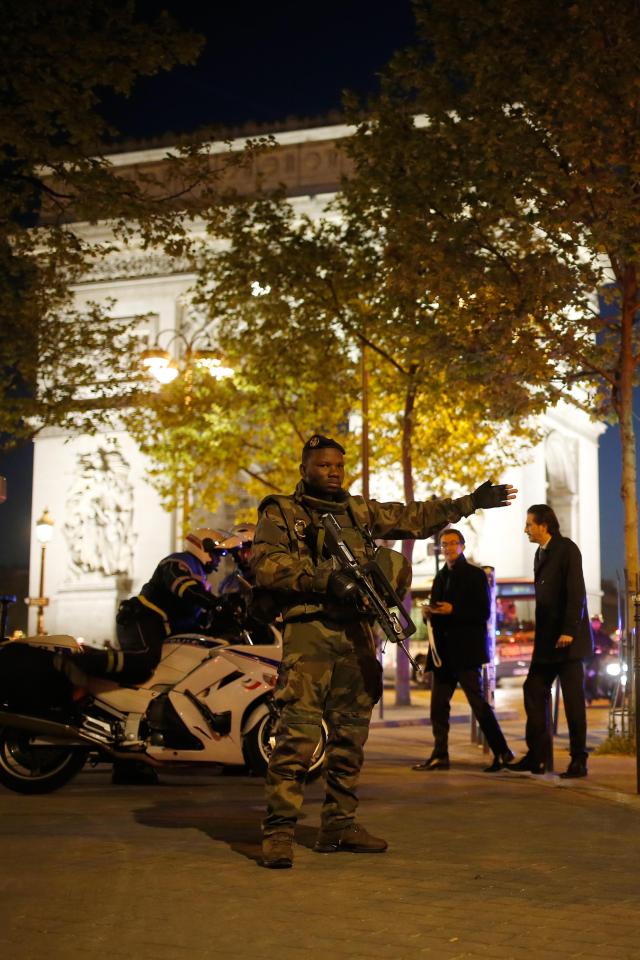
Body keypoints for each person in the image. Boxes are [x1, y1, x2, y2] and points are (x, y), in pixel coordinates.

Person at [253, 433, 517, 868]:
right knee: (297, 737)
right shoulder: (282, 511)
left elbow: (415, 517)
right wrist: (324, 579)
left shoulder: (358, 511)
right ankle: (279, 831)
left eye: (338, 465)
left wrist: (470, 501)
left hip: (357, 636)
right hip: (310, 635)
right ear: (305, 469)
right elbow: (266, 565)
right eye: (323, 465)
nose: (333, 471)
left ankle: (338, 826)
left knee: (351, 738)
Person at [411, 529, 514, 773]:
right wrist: (430, 613)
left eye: (452, 543)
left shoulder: (475, 575)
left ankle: (502, 752)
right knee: (438, 707)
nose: (447, 548)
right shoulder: (440, 576)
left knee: (478, 705)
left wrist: (453, 610)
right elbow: (437, 611)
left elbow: (483, 613)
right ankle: (440, 754)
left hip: (466, 653)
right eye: (444, 544)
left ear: (463, 546)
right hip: (443, 654)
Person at [507, 505, 593, 778]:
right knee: (532, 689)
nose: (525, 529)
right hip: (546, 644)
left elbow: (576, 591)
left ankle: (579, 760)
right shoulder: (539, 553)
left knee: (574, 702)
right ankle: (537, 755)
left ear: (544, 525)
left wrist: (569, 629)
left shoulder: (567, 549)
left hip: (567, 642)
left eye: (529, 524)